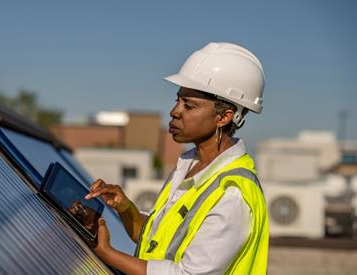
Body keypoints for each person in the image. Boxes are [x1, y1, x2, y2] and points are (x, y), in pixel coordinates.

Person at [85, 42, 269, 275]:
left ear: (224, 117)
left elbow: (186, 273)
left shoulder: (232, 193)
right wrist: (125, 208)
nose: (175, 111)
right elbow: (157, 246)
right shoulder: (189, 165)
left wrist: (107, 253)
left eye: (189, 106)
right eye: (177, 100)